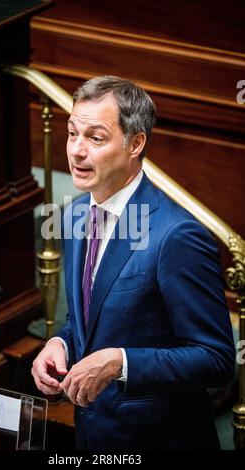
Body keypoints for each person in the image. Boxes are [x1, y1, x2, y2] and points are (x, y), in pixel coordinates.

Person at [31, 76, 235, 450]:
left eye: (95, 138)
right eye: (72, 133)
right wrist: (60, 341)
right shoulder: (76, 215)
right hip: (93, 433)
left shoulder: (176, 236)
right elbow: (88, 318)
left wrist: (120, 362)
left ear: (135, 143)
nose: (76, 151)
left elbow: (216, 358)